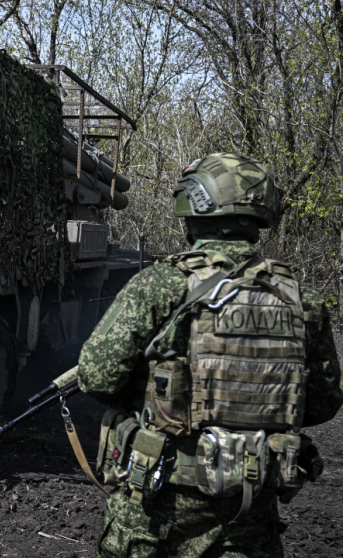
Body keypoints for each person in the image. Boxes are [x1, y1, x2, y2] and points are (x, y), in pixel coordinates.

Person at [78, 152, 343, 557]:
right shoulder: (299, 299)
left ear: (193, 206)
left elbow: (96, 379)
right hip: (248, 512)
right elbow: (323, 402)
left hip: (156, 511)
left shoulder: (160, 285)